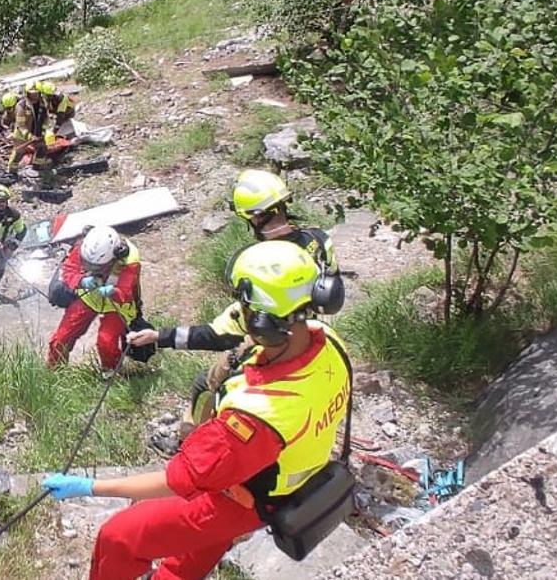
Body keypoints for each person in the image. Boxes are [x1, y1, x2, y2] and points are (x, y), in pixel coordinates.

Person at [42, 241, 353, 580]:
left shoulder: (255, 415)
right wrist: (161, 337)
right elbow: (221, 335)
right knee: (193, 555)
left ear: (264, 322)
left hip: (241, 498)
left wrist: (89, 487)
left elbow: (178, 481)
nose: (239, 311)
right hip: (282, 481)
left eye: (245, 306)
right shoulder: (327, 340)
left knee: (119, 536)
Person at [129, 169, 346, 432]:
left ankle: (188, 440)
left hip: (272, 345)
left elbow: (221, 333)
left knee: (204, 385)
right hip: (312, 334)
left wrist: (161, 336)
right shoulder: (320, 241)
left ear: (255, 217)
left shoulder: (258, 266)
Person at [47, 225, 141, 370]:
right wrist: (81, 281)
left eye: (97, 266)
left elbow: (127, 291)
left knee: (106, 342)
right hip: (89, 297)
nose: (91, 269)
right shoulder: (84, 246)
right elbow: (69, 270)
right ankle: (53, 371)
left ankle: (110, 372)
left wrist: (113, 292)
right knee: (60, 339)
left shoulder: (130, 260)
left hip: (117, 305)